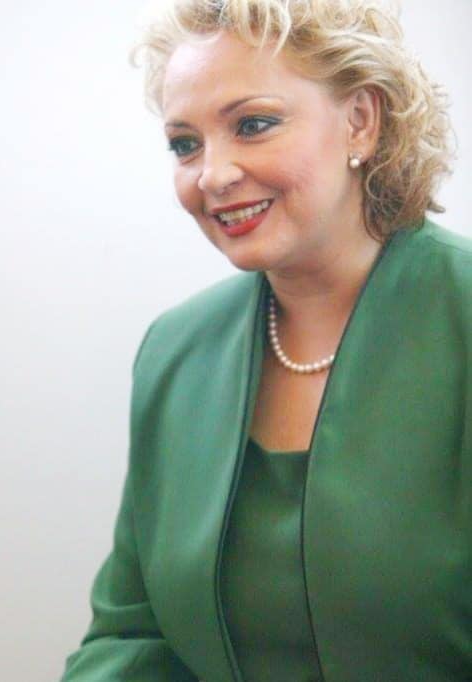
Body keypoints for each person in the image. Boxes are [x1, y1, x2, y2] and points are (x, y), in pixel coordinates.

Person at [59, 1, 472, 680]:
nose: (212, 174)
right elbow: (134, 633)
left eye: (252, 125)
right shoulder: (177, 351)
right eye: (185, 144)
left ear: (360, 121)